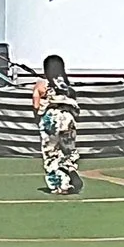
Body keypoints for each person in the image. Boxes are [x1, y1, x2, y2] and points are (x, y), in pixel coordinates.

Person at [33, 54, 83, 196]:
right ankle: (70, 168)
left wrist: (37, 118)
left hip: (51, 119)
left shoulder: (40, 85)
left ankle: (60, 185)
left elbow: (36, 105)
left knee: (51, 153)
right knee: (68, 149)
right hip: (68, 117)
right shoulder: (67, 85)